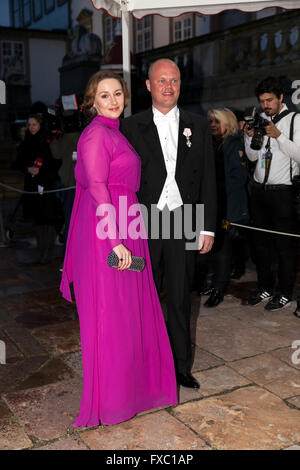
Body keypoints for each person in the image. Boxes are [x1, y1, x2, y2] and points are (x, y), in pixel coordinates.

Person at [60, 70, 177, 427]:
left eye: (117, 94)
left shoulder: (114, 132)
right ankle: (112, 401)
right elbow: (97, 188)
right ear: (91, 103)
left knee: (130, 310)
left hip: (126, 224)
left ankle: (132, 392)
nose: (113, 101)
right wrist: (116, 242)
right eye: (105, 96)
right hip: (108, 234)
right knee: (112, 313)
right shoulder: (96, 135)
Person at [120, 58, 217, 389]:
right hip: (144, 222)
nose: (168, 86)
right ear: (148, 85)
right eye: (161, 80)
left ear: (180, 84)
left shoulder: (199, 125)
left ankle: (180, 367)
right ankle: (142, 365)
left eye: (173, 80)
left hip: (184, 219)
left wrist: (207, 226)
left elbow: (208, 179)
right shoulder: (129, 127)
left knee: (179, 297)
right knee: (141, 298)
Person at [245, 76, 300, 311]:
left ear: (280, 97)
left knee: (285, 247)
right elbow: (252, 157)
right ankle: (265, 287)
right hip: (259, 191)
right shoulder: (260, 119)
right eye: (262, 101)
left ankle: (285, 292)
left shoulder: (295, 120)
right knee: (261, 246)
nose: (265, 105)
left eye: (269, 100)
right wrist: (249, 139)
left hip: (283, 193)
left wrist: (279, 136)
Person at [198, 108, 248, 308]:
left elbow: (238, 180)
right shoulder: (211, 144)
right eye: (210, 121)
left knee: (223, 250)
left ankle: (219, 288)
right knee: (212, 248)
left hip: (228, 206)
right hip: (214, 205)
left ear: (228, 123)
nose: (212, 125)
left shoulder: (233, 144)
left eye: (216, 122)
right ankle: (212, 282)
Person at [15, 114, 61, 264]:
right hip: (32, 185)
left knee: (47, 218)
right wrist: (28, 169)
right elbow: (19, 162)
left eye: (34, 124)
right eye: (29, 125)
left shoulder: (47, 140)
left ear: (40, 125)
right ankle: (41, 250)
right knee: (37, 218)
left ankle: (46, 251)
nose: (31, 127)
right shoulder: (26, 142)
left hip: (46, 184)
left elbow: (55, 162)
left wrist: (41, 170)